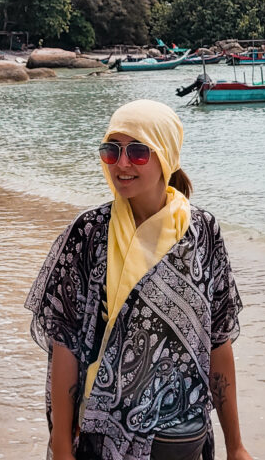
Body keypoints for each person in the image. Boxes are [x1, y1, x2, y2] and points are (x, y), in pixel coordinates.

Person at [26, 100, 253, 460]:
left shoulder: (204, 233)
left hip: (184, 440)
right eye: (111, 151)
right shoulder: (88, 234)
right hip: (102, 440)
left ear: (166, 155)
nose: (122, 164)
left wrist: (236, 445)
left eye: (137, 152)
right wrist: (62, 450)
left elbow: (219, 339)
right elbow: (64, 346)